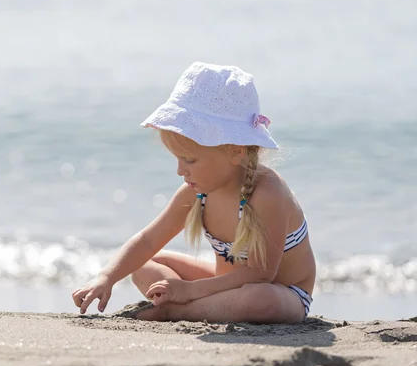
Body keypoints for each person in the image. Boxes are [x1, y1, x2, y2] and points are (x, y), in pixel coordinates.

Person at [72, 62, 316, 324]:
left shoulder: (268, 194)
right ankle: (198, 306)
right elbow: (148, 241)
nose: (180, 171)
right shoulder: (199, 194)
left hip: (281, 293)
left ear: (235, 151)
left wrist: (189, 291)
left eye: (189, 160)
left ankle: (180, 311)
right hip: (219, 286)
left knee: (261, 300)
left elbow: (260, 274)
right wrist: (106, 277)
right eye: (178, 159)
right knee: (142, 265)